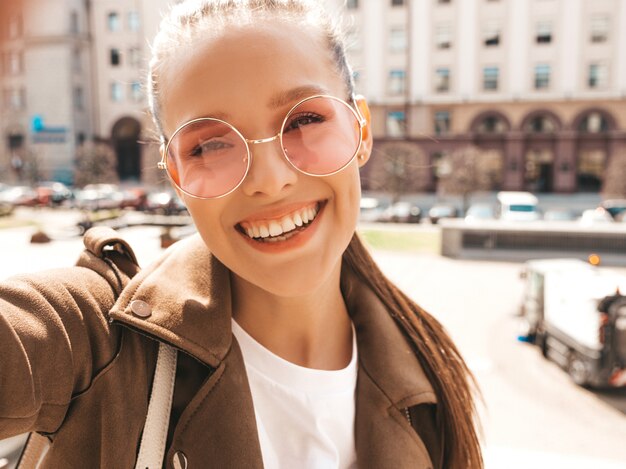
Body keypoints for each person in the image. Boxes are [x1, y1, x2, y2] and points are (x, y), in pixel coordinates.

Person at [0, 0, 483, 467]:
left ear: (361, 130)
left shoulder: (429, 379)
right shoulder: (98, 341)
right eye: (210, 145)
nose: (270, 181)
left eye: (305, 119)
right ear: (175, 175)